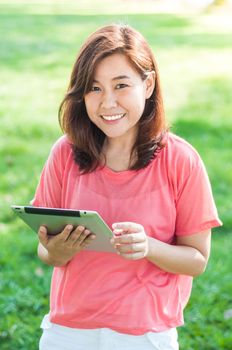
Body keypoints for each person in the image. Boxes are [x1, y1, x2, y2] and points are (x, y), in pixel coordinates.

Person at [31, 24, 222, 350]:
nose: (108, 103)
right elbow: (46, 249)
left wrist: (148, 246)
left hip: (145, 333)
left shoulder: (180, 160)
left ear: (147, 85)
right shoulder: (64, 153)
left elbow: (197, 259)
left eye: (121, 85)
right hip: (69, 328)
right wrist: (56, 251)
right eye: (94, 88)